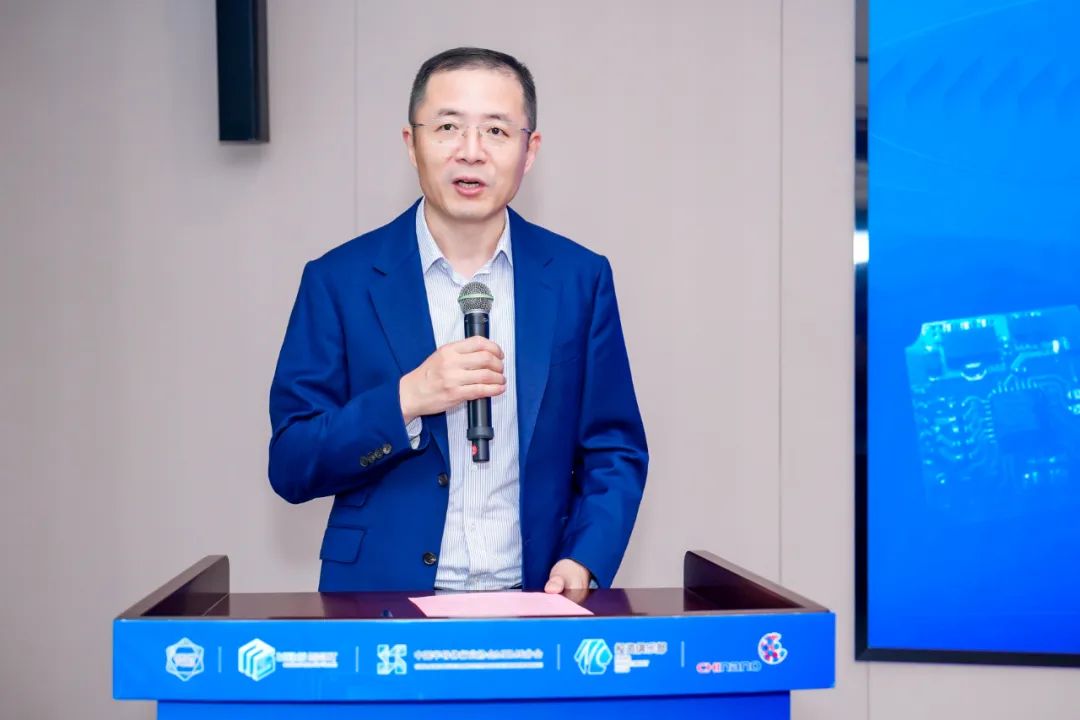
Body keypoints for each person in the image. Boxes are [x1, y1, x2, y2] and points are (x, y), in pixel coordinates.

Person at [268, 47, 647, 594]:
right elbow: (292, 462)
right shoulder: (339, 280)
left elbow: (615, 448)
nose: (471, 152)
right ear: (411, 143)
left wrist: (583, 559)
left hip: (535, 595)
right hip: (381, 600)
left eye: (496, 131)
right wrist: (407, 398)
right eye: (448, 127)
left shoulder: (578, 278)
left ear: (529, 150)